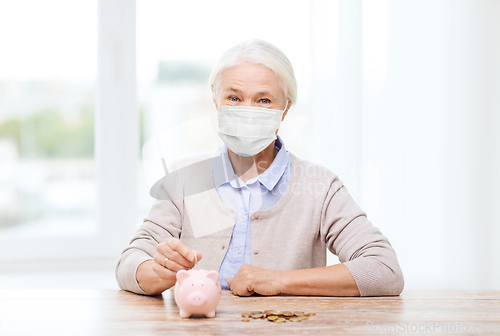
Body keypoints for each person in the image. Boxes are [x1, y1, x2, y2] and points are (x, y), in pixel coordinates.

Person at [115, 39, 404, 297]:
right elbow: (129, 262)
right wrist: (157, 273)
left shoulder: (321, 187)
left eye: (264, 100)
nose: (247, 110)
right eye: (234, 97)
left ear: (285, 109)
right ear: (216, 101)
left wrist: (278, 281)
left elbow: (384, 270)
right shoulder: (182, 178)